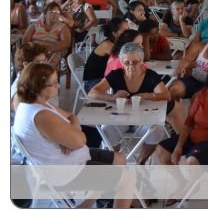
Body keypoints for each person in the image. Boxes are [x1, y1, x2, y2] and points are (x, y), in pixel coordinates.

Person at [13, 63, 132, 208]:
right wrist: (73, 136)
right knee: (127, 177)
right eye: (54, 83)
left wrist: (69, 135)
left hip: (70, 159)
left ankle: (87, 204)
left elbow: (72, 116)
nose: (58, 86)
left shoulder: (35, 104)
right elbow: (81, 140)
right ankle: (88, 205)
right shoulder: (41, 115)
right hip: (65, 172)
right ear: (39, 87)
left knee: (120, 159)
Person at [88, 42, 174, 164]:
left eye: (135, 62)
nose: (131, 66)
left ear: (142, 61)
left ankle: (141, 162)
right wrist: (113, 97)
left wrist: (148, 95)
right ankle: (116, 162)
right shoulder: (116, 75)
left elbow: (167, 95)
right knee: (106, 128)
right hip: (120, 118)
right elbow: (92, 92)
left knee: (157, 130)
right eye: (126, 63)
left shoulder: (150, 76)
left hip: (143, 118)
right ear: (122, 63)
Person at [82, 18, 129, 92]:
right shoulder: (108, 45)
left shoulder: (117, 43)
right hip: (94, 84)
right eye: (125, 31)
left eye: (128, 29)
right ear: (114, 33)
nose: (128, 33)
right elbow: (126, 59)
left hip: (104, 79)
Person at [22, 2, 71, 67]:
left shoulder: (62, 27)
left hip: (51, 52)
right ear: (45, 14)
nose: (55, 14)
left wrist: (48, 50)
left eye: (58, 13)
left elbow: (66, 42)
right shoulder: (35, 24)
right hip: (34, 51)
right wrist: (31, 50)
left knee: (42, 65)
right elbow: (25, 39)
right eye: (52, 12)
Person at [11, 43, 49, 110]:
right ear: (26, 64)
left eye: (44, 61)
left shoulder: (33, 79)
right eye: (38, 62)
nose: (44, 66)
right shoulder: (20, 91)